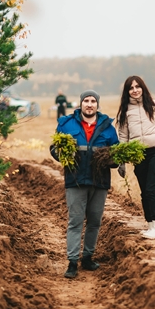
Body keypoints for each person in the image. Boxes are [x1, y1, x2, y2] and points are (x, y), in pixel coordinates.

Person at [50, 89, 120, 278]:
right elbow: (54, 148)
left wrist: (114, 161)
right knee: (75, 221)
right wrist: (63, 155)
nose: (89, 104)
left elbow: (116, 152)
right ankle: (72, 262)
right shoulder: (66, 124)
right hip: (76, 181)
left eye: (93, 101)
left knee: (95, 221)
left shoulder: (107, 127)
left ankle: (88, 257)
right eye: (86, 101)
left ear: (98, 105)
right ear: (80, 104)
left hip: (99, 181)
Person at [115, 75, 155, 239]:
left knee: (151, 189)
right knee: (144, 191)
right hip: (139, 154)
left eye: (137, 86)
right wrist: (121, 160)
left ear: (143, 87)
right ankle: (150, 226)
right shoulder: (125, 110)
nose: (135, 90)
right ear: (127, 92)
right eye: (131, 88)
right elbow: (123, 136)